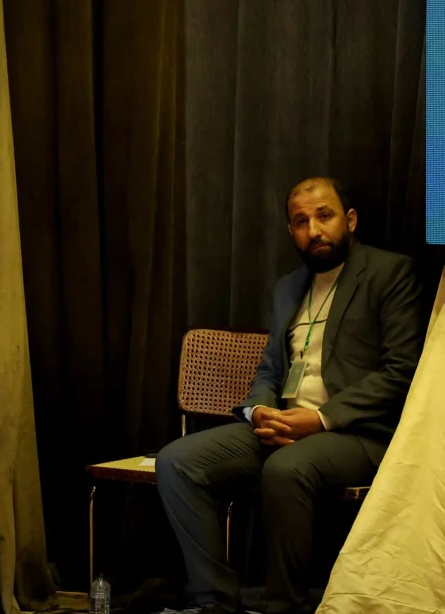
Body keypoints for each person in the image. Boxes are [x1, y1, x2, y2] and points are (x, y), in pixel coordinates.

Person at [156, 177, 425, 614]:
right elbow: (270, 368)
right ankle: (215, 602)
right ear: (290, 230)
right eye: (301, 222)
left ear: (350, 220)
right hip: (284, 426)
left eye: (324, 216)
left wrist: (320, 419)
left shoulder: (390, 273)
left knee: (285, 468)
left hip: (359, 433)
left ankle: (285, 606)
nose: (313, 230)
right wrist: (260, 409)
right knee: (177, 462)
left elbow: (401, 371)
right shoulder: (288, 287)